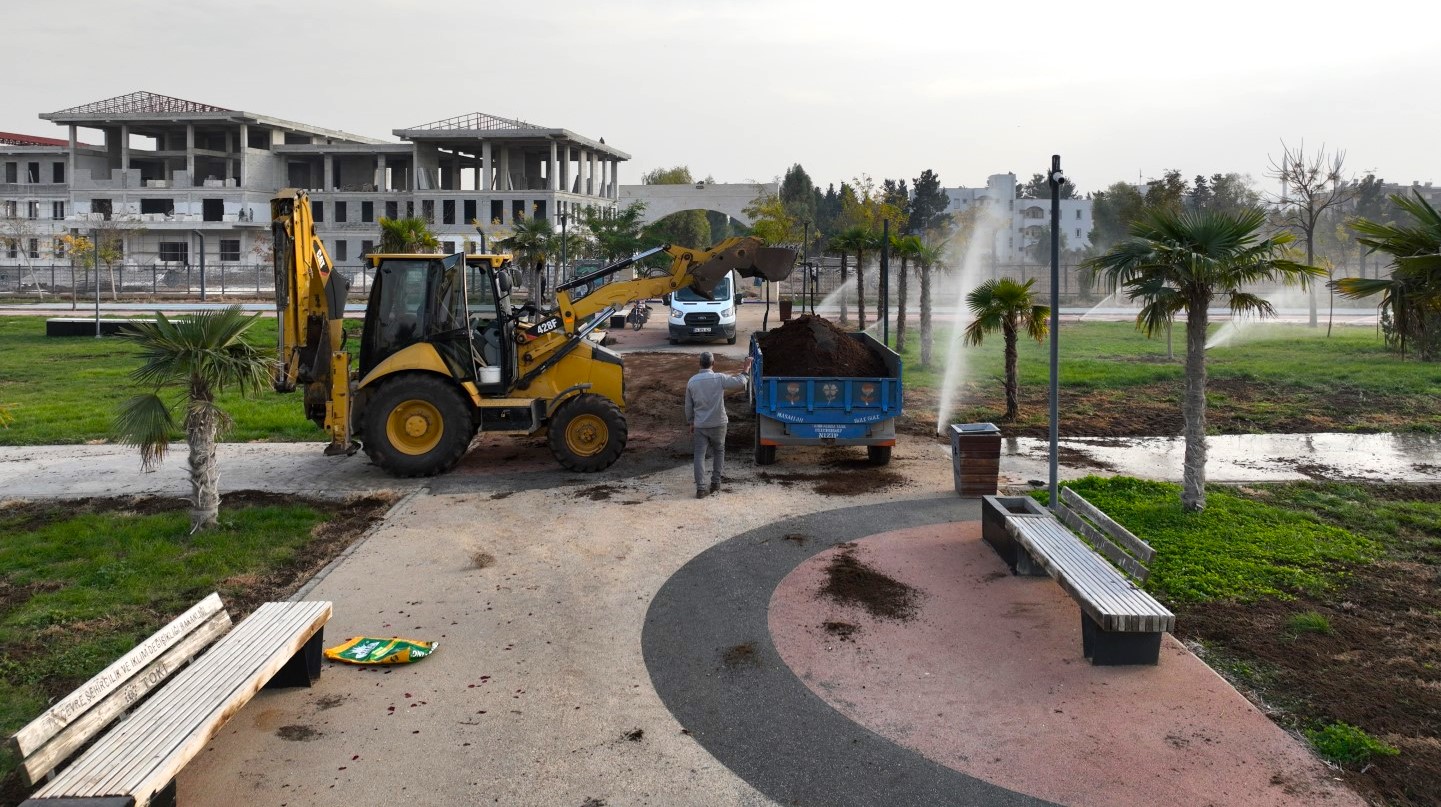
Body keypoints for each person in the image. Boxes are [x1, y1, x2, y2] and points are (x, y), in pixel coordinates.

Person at [684, 351, 752, 499]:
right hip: (719, 423)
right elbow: (740, 382)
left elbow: (688, 406)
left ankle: (701, 489)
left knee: (699, 455)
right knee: (719, 451)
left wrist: (691, 422)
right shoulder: (719, 378)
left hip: (700, 425)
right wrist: (746, 367)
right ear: (713, 364)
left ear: (699, 363)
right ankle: (715, 483)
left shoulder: (692, 382)